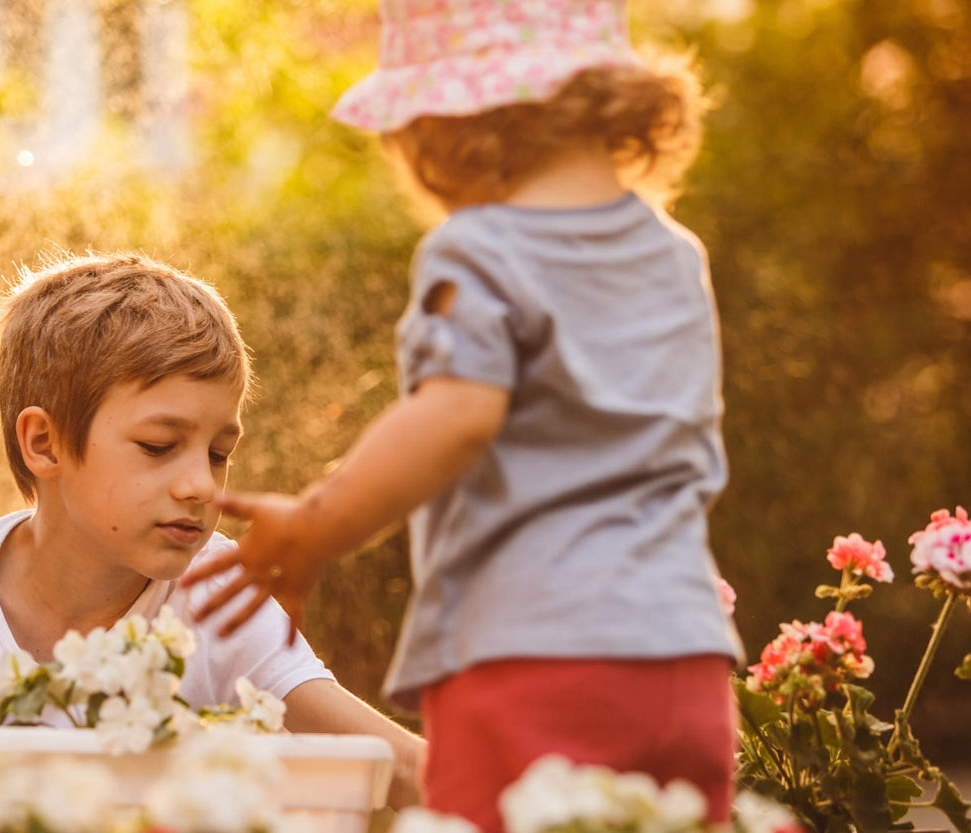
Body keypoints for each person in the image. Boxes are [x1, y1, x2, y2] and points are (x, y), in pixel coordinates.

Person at [184, 2, 746, 830]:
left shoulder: (479, 247)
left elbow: (457, 416)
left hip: (535, 659)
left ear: (455, 129)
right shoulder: (675, 255)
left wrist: (315, 525)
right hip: (685, 660)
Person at [0, 251, 422, 809]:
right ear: (44, 444)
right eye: (159, 446)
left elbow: (382, 760)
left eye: (217, 453)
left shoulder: (218, 593)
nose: (202, 487)